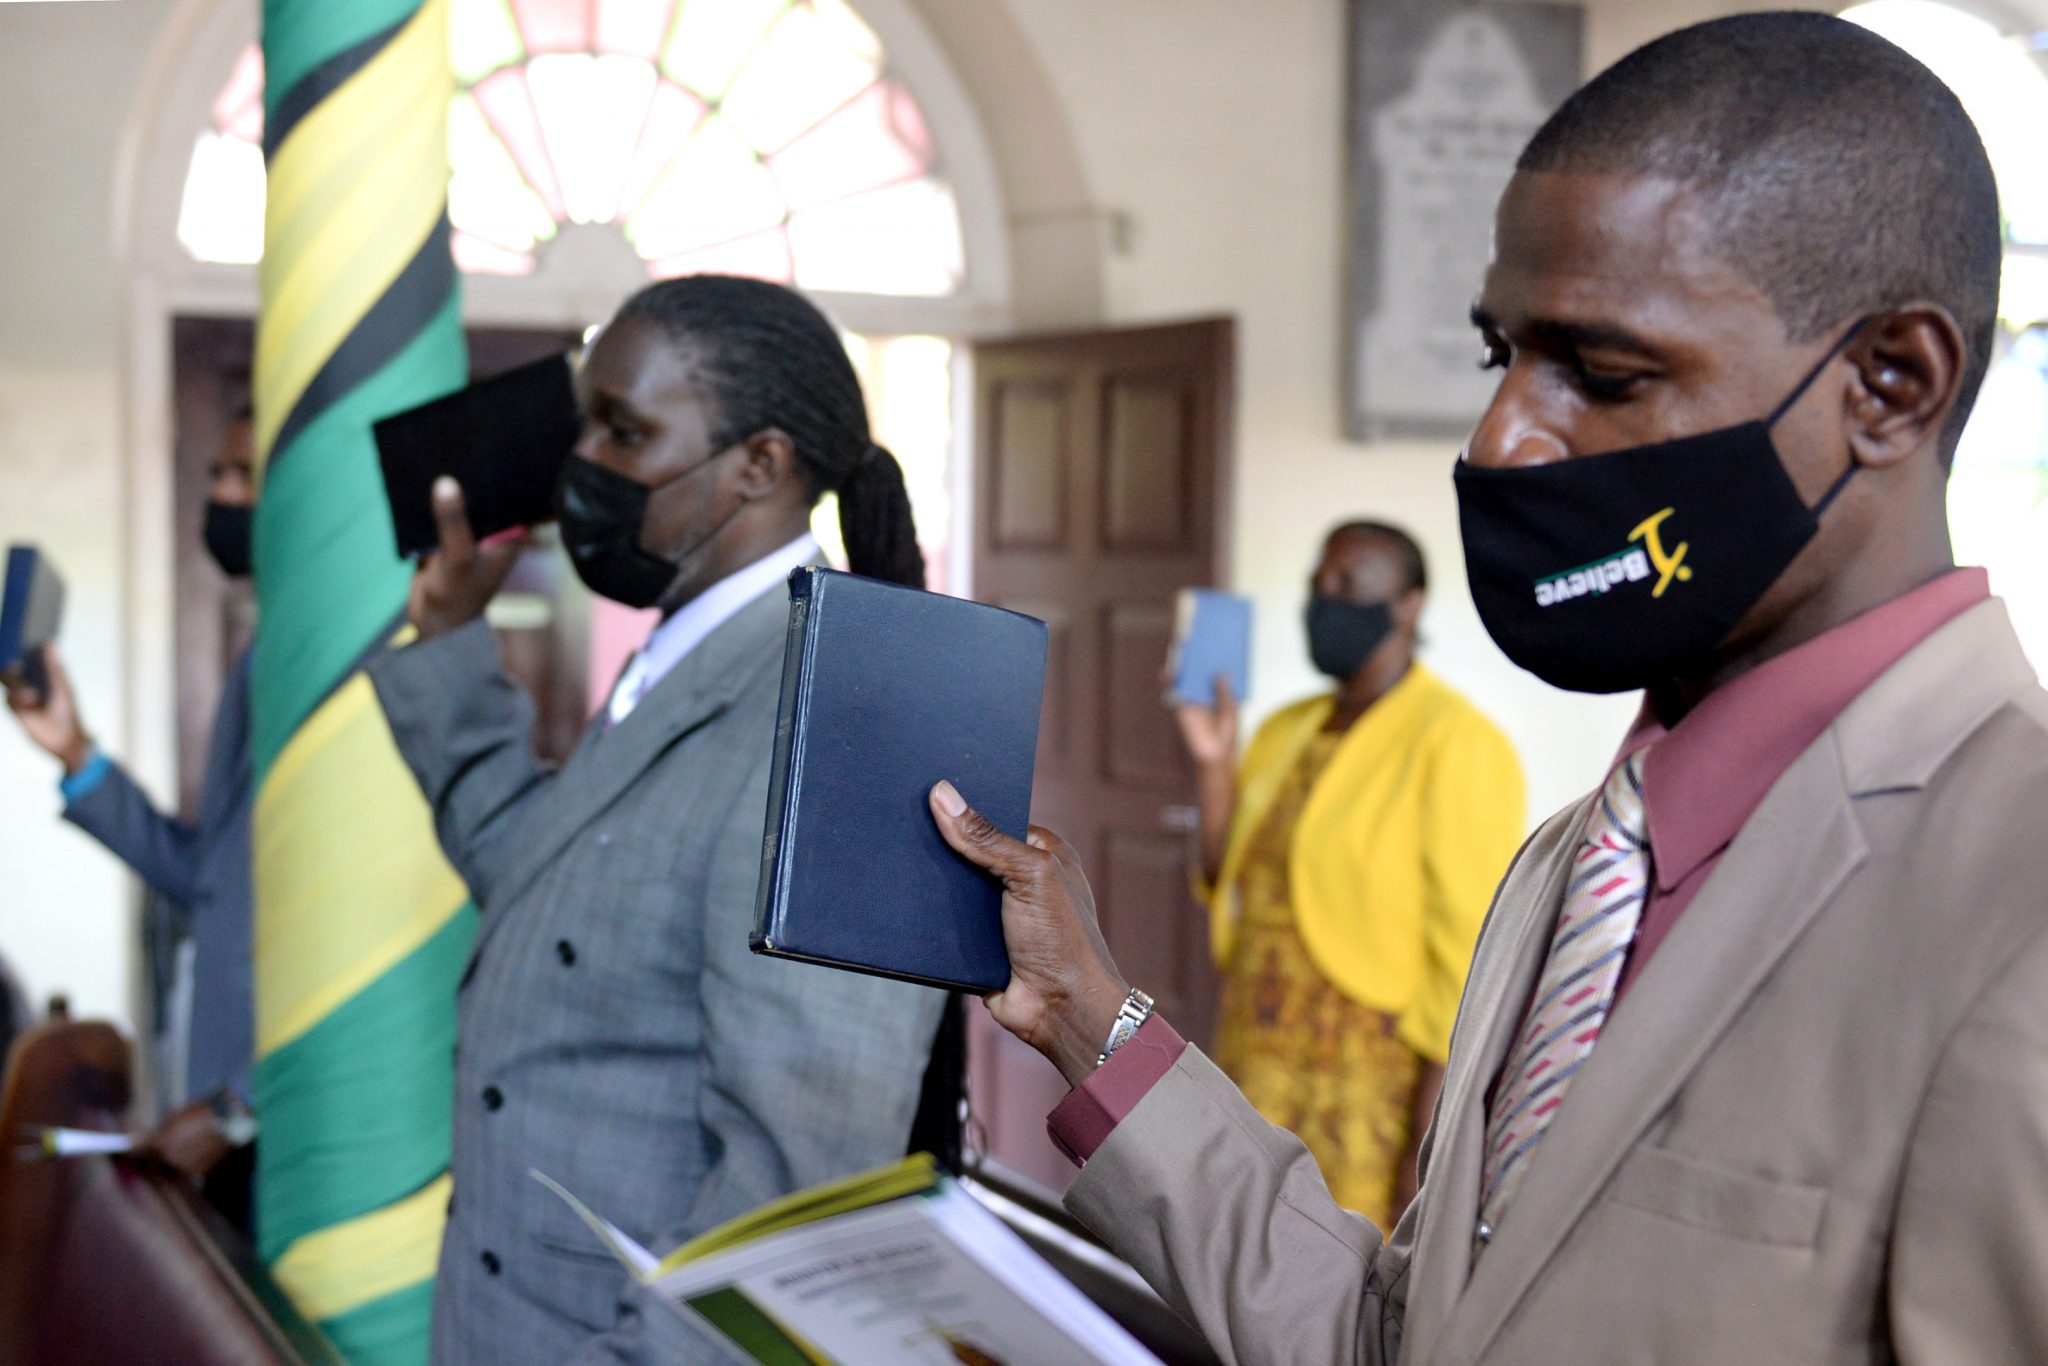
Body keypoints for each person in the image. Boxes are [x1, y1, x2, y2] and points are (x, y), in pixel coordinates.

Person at [926, 14, 2048, 1363]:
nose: (1505, 437)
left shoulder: (2015, 892)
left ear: (1889, 383)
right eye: (1498, 355)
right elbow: (1409, 1339)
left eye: (1605, 371)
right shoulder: (1574, 866)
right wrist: (1081, 1010)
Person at [368, 276, 950, 1365]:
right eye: (586, 417)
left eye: (622, 431)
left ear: (760, 463)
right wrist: (451, 641)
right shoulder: (684, 655)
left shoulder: (844, 718)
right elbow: (552, 890)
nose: (577, 459)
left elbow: (799, 1180)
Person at [1174, 521, 1521, 1226]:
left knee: (1338, 1287)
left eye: (1347, 585)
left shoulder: (1458, 744)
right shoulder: (1284, 728)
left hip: (1368, 1093)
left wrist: (1432, 1143)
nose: (1324, 600)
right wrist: (1214, 764)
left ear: (1408, 605)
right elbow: (1225, 879)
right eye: (1316, 584)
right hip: (1256, 1055)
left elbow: (1468, 967)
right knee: (1237, 1255)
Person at [3, 408, 262, 1225]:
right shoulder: (262, 656)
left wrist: (237, 1106)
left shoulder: (343, 665)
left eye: (243, 477)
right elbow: (209, 880)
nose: (219, 494)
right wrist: (75, 752)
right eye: (216, 473)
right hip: (219, 1111)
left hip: (279, 1119)